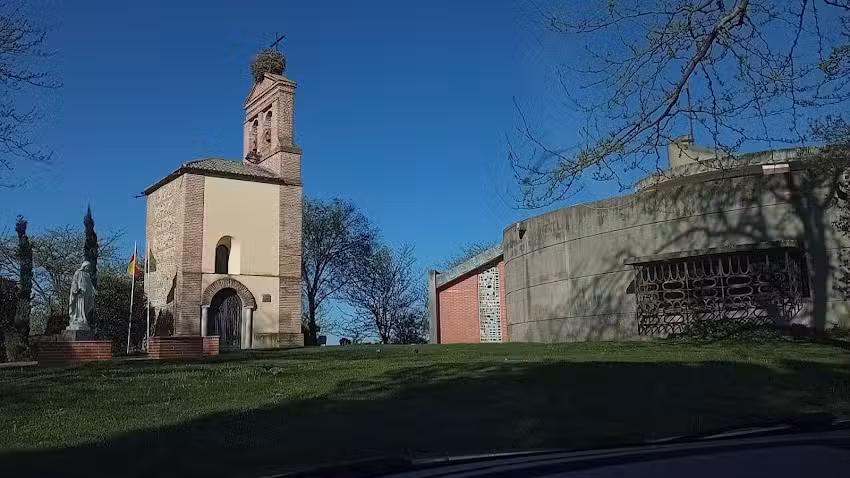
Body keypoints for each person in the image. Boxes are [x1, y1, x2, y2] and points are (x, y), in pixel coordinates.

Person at [68, 260, 96, 330]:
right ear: (84, 266)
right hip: (80, 293)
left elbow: (90, 284)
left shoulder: (87, 275)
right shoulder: (78, 272)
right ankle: (78, 319)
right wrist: (76, 290)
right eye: (87, 266)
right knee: (80, 307)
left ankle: (83, 319)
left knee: (86, 306)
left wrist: (93, 290)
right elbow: (74, 281)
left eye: (89, 267)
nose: (88, 268)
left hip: (87, 293)